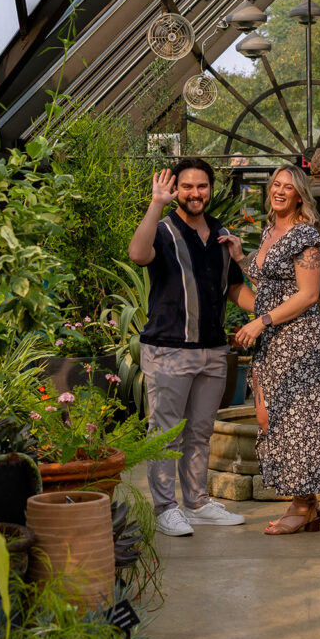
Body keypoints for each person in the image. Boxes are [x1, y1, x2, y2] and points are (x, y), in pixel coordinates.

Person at [128, 157, 256, 536]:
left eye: (201, 186)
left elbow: (233, 289)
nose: (195, 193)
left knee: (201, 431)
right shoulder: (163, 230)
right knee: (166, 431)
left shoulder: (221, 234)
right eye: (187, 187)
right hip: (169, 349)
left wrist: (269, 312)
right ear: (177, 191)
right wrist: (155, 203)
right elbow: (138, 254)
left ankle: (197, 502)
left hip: (213, 350)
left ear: (210, 190)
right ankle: (166, 507)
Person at [219, 164, 320, 534]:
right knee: (271, 417)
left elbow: (309, 294)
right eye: (275, 184)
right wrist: (240, 257)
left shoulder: (305, 236)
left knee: (297, 420)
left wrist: (261, 321)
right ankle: (310, 505)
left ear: (300, 194)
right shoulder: (271, 231)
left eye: (288, 186)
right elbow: (269, 281)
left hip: (299, 340)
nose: (280, 190)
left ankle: (301, 505)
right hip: (273, 341)